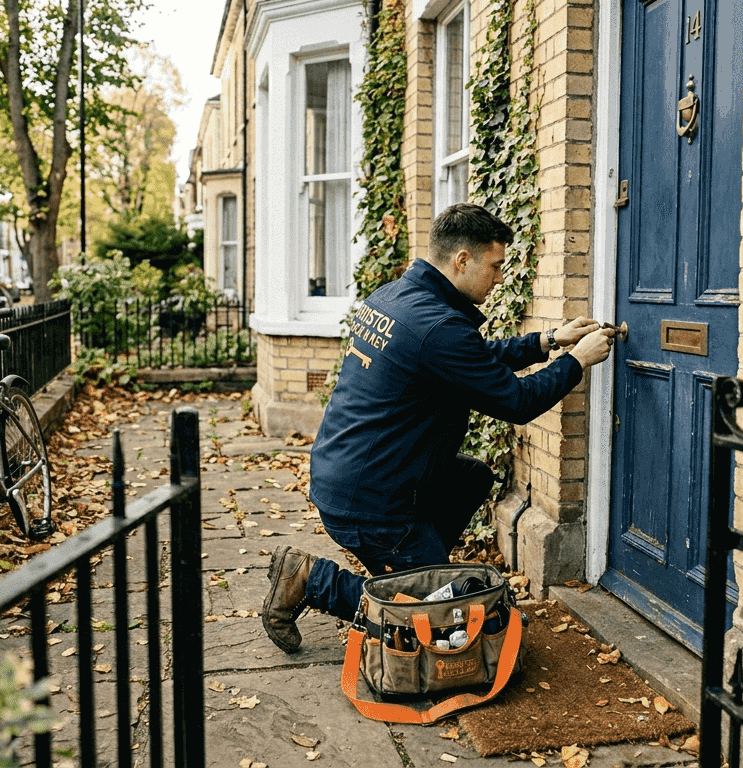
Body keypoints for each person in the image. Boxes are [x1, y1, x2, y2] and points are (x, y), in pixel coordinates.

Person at [261, 203, 616, 652]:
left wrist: (546, 342)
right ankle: (311, 579)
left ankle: (414, 567)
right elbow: (517, 401)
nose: (500, 278)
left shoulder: (396, 298)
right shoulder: (438, 326)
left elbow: (470, 360)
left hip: (352, 473)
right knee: (444, 624)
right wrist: (576, 361)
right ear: (461, 261)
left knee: (473, 477)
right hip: (372, 501)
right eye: (495, 266)